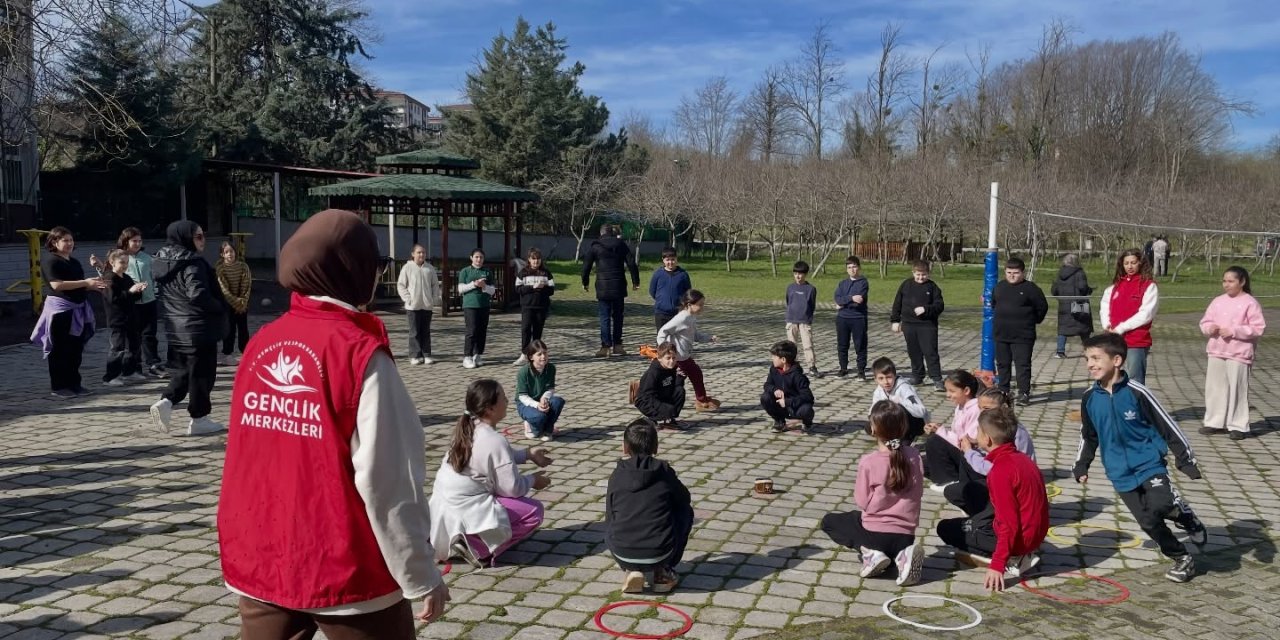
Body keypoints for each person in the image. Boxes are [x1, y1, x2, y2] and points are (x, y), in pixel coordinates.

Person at [217, 208, 450, 636]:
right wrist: (420, 573)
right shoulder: (360, 355)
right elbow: (388, 481)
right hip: (343, 568)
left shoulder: (261, 342)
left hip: (263, 554)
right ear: (352, 268)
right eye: (374, 264)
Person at [1074, 333, 1206, 583]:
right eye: (1087, 358)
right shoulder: (1089, 398)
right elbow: (1088, 435)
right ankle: (1182, 557)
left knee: (1160, 505)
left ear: (1116, 360)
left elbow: (1168, 427)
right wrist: (1081, 464)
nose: (1089, 364)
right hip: (1118, 471)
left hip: (1149, 463)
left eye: (1095, 358)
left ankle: (1183, 514)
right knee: (1148, 521)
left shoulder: (1138, 392)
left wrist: (1185, 460)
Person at [429, 379, 553, 568]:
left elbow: (493, 456)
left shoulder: (468, 428)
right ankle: (479, 548)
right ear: (489, 409)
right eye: (503, 398)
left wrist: (528, 454)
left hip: (443, 503)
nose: (507, 401)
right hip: (466, 505)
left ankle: (467, 537)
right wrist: (533, 480)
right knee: (534, 511)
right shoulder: (494, 440)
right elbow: (512, 488)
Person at [937, 406, 1049, 591]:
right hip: (1036, 535)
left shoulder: (1000, 471)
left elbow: (1008, 523)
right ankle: (1010, 548)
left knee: (946, 528)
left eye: (978, 432)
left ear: (987, 439)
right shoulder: (1024, 460)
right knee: (970, 495)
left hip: (1020, 541)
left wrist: (997, 565)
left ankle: (1013, 559)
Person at [821, 401, 925, 586]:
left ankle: (872, 554)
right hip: (906, 535)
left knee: (830, 521)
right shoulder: (914, 456)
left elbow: (862, 501)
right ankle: (901, 556)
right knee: (858, 522)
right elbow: (918, 492)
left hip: (875, 534)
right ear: (904, 427)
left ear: (874, 429)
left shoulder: (869, 461)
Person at [149, 221, 228, 436]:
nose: (203, 241)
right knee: (202, 374)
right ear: (185, 238)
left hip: (175, 328)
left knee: (184, 372)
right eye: (198, 236)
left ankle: (166, 401)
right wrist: (219, 306)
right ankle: (199, 418)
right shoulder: (192, 263)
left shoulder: (161, 261)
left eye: (203, 235)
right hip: (197, 328)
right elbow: (197, 294)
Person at [606, 420, 693, 594]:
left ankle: (632, 570)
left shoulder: (617, 474)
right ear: (656, 447)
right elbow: (684, 498)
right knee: (685, 511)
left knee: (613, 520)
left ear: (624, 447)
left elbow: (610, 513)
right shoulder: (664, 471)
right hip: (660, 551)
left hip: (622, 551)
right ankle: (662, 571)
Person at [31, 226, 105, 398]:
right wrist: (86, 283)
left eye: (71, 240)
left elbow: (81, 284)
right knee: (60, 350)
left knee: (75, 349)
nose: (69, 243)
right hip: (60, 310)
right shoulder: (51, 261)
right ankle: (59, 386)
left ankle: (74, 384)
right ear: (54, 242)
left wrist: (94, 286)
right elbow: (57, 285)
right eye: (65, 240)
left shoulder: (74, 262)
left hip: (77, 309)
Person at [943, 387, 1036, 517]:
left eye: (986, 408)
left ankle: (985, 515)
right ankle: (975, 502)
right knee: (966, 459)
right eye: (979, 408)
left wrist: (970, 452)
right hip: (1002, 473)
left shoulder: (1015, 432)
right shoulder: (997, 424)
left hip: (1012, 483)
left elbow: (996, 468)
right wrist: (975, 443)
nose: (981, 412)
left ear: (1003, 407)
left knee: (955, 490)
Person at [1198, 266, 1266, 441]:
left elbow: (1258, 328)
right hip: (1217, 350)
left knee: (1237, 388)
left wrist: (1234, 331)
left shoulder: (1250, 302)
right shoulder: (1218, 301)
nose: (1226, 285)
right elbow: (1205, 321)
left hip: (1239, 352)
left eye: (1231, 281)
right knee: (1215, 388)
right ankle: (1214, 421)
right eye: (1224, 281)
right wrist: (1209, 328)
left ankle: (1238, 425)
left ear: (1241, 282)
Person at [991, 257, 1048, 405]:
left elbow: (1042, 307)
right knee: (1002, 364)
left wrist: (1032, 320)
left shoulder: (1031, 289)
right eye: (1009, 272)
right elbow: (993, 304)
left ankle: (1023, 393)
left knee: (1022, 365)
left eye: (1015, 273)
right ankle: (1003, 390)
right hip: (1001, 333)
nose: (1012, 275)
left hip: (1023, 335)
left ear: (1022, 273)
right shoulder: (999, 287)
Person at [1100, 249, 1159, 385]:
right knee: (1111, 376)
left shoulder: (1148, 286)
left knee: (1135, 379)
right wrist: (1107, 325)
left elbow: (1146, 314)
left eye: (1133, 262)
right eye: (1126, 263)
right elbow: (1105, 306)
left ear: (1140, 263)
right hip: (1113, 339)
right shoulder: (1115, 286)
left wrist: (1121, 328)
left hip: (1135, 341)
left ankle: (1135, 405)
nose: (1130, 266)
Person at [581, 223, 640, 357]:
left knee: (604, 317)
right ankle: (618, 345)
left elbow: (586, 266)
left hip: (603, 287)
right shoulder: (621, 245)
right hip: (618, 285)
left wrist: (585, 282)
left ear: (601, 233)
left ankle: (605, 347)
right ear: (613, 233)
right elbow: (631, 263)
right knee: (618, 316)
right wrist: (636, 281)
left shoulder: (595, 246)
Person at [657, 289, 720, 412]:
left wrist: (709, 338)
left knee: (688, 376)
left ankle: (700, 400)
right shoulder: (682, 318)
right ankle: (698, 401)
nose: (702, 307)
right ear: (689, 305)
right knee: (686, 377)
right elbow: (663, 331)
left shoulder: (691, 317)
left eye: (703, 304)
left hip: (684, 355)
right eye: (700, 305)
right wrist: (664, 350)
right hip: (678, 357)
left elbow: (694, 335)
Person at [921, 369, 982, 490]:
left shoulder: (975, 409)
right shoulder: (960, 407)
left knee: (934, 441)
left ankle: (948, 481)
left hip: (970, 456)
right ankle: (955, 478)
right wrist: (938, 429)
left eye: (952, 391)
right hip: (959, 452)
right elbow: (955, 434)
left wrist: (941, 432)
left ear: (966, 391)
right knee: (919, 463)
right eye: (947, 390)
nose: (948, 395)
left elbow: (966, 442)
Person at [115, 227, 164, 376]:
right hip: (132, 303)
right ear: (125, 241)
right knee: (133, 337)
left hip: (149, 301)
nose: (137, 243)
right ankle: (134, 367)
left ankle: (154, 364)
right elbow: (112, 276)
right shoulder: (120, 257)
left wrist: (154, 291)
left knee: (149, 335)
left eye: (139, 240)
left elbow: (155, 277)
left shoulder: (147, 258)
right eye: (133, 241)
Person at [890, 260, 945, 392]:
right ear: (913, 273)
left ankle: (936, 378)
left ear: (928, 274)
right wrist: (895, 321)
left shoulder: (933, 287)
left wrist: (926, 309)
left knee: (930, 351)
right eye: (918, 275)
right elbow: (897, 303)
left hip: (927, 325)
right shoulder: (906, 285)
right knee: (913, 351)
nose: (921, 278)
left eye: (924, 275)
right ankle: (918, 376)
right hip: (909, 324)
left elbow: (939, 306)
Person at [101, 250, 148, 387]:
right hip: (117, 318)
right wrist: (130, 292)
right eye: (122, 262)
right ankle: (110, 376)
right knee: (117, 347)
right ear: (112, 262)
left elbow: (132, 298)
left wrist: (139, 290)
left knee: (134, 345)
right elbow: (113, 299)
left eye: (127, 262)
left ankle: (129, 371)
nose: (125, 265)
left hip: (131, 317)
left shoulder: (126, 278)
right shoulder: (109, 277)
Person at [396, 244, 440, 365]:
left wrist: (434, 298)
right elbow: (401, 285)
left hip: (426, 305)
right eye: (419, 252)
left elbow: (435, 285)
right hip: (412, 306)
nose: (422, 255)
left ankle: (426, 354)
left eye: (423, 253)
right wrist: (407, 298)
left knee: (425, 331)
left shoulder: (430, 268)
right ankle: (415, 355)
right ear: (413, 254)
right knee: (414, 331)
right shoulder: (407, 268)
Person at [869, 357, 929, 444]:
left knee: (897, 408)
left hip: (915, 423)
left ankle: (906, 438)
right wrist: (872, 423)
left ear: (895, 376)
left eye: (889, 377)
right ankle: (889, 437)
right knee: (870, 425)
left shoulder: (904, 388)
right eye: (881, 378)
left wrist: (901, 402)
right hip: (895, 423)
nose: (886, 382)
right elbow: (873, 409)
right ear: (875, 379)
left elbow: (921, 411)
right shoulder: (878, 391)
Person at [761, 340, 815, 433]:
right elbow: (767, 385)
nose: (772, 359)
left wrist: (787, 401)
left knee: (807, 410)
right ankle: (779, 421)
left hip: (795, 407)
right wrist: (774, 390)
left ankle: (807, 423)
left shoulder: (797, 375)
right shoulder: (774, 369)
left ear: (783, 360)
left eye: (774, 356)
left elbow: (808, 396)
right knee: (765, 397)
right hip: (780, 407)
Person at [516, 340, 564, 442]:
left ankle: (548, 430)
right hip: (526, 403)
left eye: (545, 353)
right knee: (539, 419)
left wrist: (544, 398)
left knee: (558, 401)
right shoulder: (523, 372)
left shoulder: (551, 368)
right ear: (531, 357)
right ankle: (530, 424)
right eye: (539, 354)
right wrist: (537, 405)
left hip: (541, 400)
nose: (543, 357)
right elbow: (522, 396)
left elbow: (550, 388)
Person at [514, 248, 555, 365]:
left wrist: (543, 287)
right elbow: (518, 289)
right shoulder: (523, 272)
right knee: (526, 329)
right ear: (529, 260)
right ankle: (524, 354)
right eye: (533, 259)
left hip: (541, 306)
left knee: (538, 331)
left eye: (538, 259)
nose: (536, 262)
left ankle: (536, 354)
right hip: (527, 306)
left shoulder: (546, 273)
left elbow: (551, 290)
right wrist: (532, 287)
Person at [216, 241, 252, 366]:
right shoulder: (220, 269)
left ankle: (246, 351)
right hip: (228, 304)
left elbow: (246, 285)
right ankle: (227, 353)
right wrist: (235, 303)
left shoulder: (243, 267)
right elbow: (223, 289)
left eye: (231, 251)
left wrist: (242, 302)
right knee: (229, 329)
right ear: (222, 254)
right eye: (226, 252)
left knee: (243, 329)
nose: (230, 254)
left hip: (242, 304)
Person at [457, 248, 496, 369]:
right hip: (470, 305)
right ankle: (467, 356)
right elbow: (460, 289)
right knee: (471, 330)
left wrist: (484, 286)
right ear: (471, 258)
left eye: (481, 257)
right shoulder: (465, 271)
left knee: (482, 330)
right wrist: (474, 284)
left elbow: (492, 290)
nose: (479, 259)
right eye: (476, 257)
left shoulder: (487, 272)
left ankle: (477, 354)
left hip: (484, 305)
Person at [633, 343, 687, 429]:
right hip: (646, 401)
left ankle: (670, 418)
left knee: (680, 391)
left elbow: (676, 387)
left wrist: (680, 378)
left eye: (674, 358)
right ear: (659, 358)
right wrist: (663, 407)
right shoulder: (653, 372)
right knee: (668, 409)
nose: (672, 361)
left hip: (663, 395)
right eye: (668, 358)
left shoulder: (673, 368)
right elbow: (648, 395)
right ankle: (652, 419)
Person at [1050, 253, 1093, 358]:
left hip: (1064, 305)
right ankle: (1087, 350)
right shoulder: (1080, 273)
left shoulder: (1060, 273)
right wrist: (1089, 290)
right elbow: (1083, 287)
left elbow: (1055, 290)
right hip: (1079, 304)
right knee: (1084, 328)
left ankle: (1060, 351)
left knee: (1063, 329)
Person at [834, 256, 869, 380]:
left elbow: (859, 300)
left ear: (859, 268)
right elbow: (837, 298)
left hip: (858, 318)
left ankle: (861, 370)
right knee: (842, 345)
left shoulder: (863, 282)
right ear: (846, 269)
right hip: (842, 318)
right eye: (849, 267)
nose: (852, 269)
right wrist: (850, 298)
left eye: (854, 267)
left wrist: (844, 302)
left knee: (860, 345)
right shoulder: (842, 283)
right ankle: (843, 368)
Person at [785, 261, 822, 378]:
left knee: (807, 344)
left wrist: (807, 317)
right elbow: (788, 301)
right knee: (791, 345)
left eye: (800, 274)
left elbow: (811, 305)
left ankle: (812, 366)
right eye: (795, 273)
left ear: (805, 274)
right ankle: (792, 366)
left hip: (805, 321)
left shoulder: (810, 289)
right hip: (791, 320)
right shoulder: (790, 287)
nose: (798, 276)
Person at [649, 246, 691, 331]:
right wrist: (661, 300)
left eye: (672, 259)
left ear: (676, 259)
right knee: (662, 338)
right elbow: (652, 291)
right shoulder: (658, 274)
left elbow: (688, 293)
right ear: (663, 260)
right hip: (661, 313)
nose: (670, 262)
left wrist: (682, 305)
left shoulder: (683, 275)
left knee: (676, 338)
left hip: (677, 312)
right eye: (667, 260)